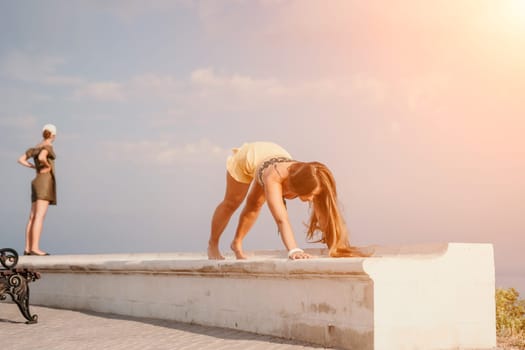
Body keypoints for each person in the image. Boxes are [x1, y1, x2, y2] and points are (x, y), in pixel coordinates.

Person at [208, 141, 364, 260]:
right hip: (248, 157)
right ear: (298, 188)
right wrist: (294, 250)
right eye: (311, 195)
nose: (312, 199)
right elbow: (281, 219)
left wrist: (336, 246)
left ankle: (237, 243)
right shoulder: (273, 178)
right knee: (232, 202)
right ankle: (212, 244)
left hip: (272, 154)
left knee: (255, 204)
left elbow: (325, 213)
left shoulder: (309, 177)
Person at [17, 124, 57, 256]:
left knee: (32, 217)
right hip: (44, 181)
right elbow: (41, 158)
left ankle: (28, 248)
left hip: (36, 181)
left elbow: (21, 160)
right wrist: (46, 165)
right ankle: (35, 248)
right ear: (53, 135)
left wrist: (34, 168)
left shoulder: (35, 147)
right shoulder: (47, 146)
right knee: (40, 216)